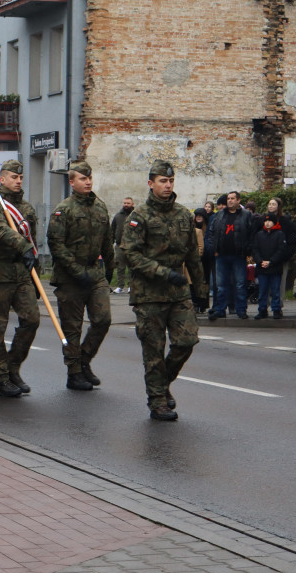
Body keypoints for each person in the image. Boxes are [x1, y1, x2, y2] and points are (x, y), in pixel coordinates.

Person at [120, 159, 207, 421]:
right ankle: (157, 401)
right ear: (151, 184)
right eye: (162, 181)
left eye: (170, 181)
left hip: (178, 293)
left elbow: (193, 255)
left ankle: (161, 385)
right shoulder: (139, 217)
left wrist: (201, 290)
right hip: (149, 295)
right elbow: (130, 255)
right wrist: (163, 273)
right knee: (154, 351)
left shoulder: (183, 214)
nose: (167, 185)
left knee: (186, 341)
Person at [47, 160, 113, 391]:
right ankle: (74, 372)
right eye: (83, 179)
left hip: (95, 273)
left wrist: (110, 267)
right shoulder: (63, 209)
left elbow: (107, 239)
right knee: (72, 328)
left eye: (89, 177)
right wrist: (76, 271)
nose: (88, 182)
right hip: (70, 277)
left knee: (103, 319)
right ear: (72, 181)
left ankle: (84, 359)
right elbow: (56, 244)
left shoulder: (100, 206)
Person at [0, 159, 39, 397]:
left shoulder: (27, 208)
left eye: (21, 177)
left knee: (32, 320)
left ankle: (13, 367)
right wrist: (22, 245)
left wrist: (33, 262)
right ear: (2, 179)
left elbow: (32, 242)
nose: (18, 181)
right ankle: (1, 378)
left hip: (22, 274)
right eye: (13, 177)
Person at [206, 190, 253, 320]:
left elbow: (251, 234)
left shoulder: (246, 215)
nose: (230, 201)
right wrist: (213, 248)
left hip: (239, 255)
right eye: (228, 198)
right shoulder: (220, 215)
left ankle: (241, 310)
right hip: (221, 255)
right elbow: (211, 232)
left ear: (238, 200)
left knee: (240, 284)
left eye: (233, 198)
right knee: (220, 285)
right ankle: (220, 309)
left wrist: (247, 250)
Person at [252, 213, 288, 320]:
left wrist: (271, 261)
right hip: (262, 267)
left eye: (270, 221)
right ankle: (262, 309)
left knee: (275, 290)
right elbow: (255, 249)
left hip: (275, 268)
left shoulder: (280, 234)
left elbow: (281, 250)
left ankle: (276, 309)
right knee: (262, 290)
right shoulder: (259, 235)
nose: (267, 223)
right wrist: (260, 261)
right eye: (265, 221)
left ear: (274, 222)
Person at [111, 197, 134, 294]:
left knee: (132, 267)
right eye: (124, 203)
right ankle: (120, 286)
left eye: (128, 203)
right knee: (120, 266)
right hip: (119, 245)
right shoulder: (118, 216)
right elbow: (112, 230)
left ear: (132, 204)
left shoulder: (135, 215)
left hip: (132, 246)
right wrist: (111, 242)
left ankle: (131, 286)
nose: (126, 205)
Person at [193, 208, 212, 312]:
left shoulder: (207, 228)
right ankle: (196, 302)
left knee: (205, 282)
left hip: (205, 259)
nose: (199, 217)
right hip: (195, 259)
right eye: (197, 216)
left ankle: (203, 304)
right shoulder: (193, 229)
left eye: (201, 216)